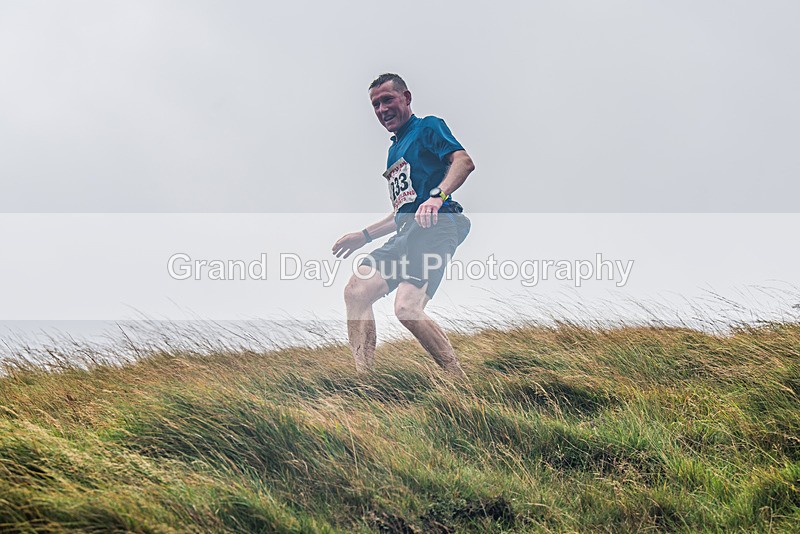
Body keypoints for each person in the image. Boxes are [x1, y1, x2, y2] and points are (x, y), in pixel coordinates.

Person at [331, 73, 475, 378]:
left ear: (406, 98)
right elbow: (402, 212)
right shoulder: (394, 151)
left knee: (406, 309)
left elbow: (463, 161)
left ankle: (457, 378)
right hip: (407, 232)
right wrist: (364, 235)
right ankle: (365, 381)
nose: (382, 109)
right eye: (375, 104)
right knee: (356, 292)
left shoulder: (428, 127)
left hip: (439, 225)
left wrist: (437, 196)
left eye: (388, 100)